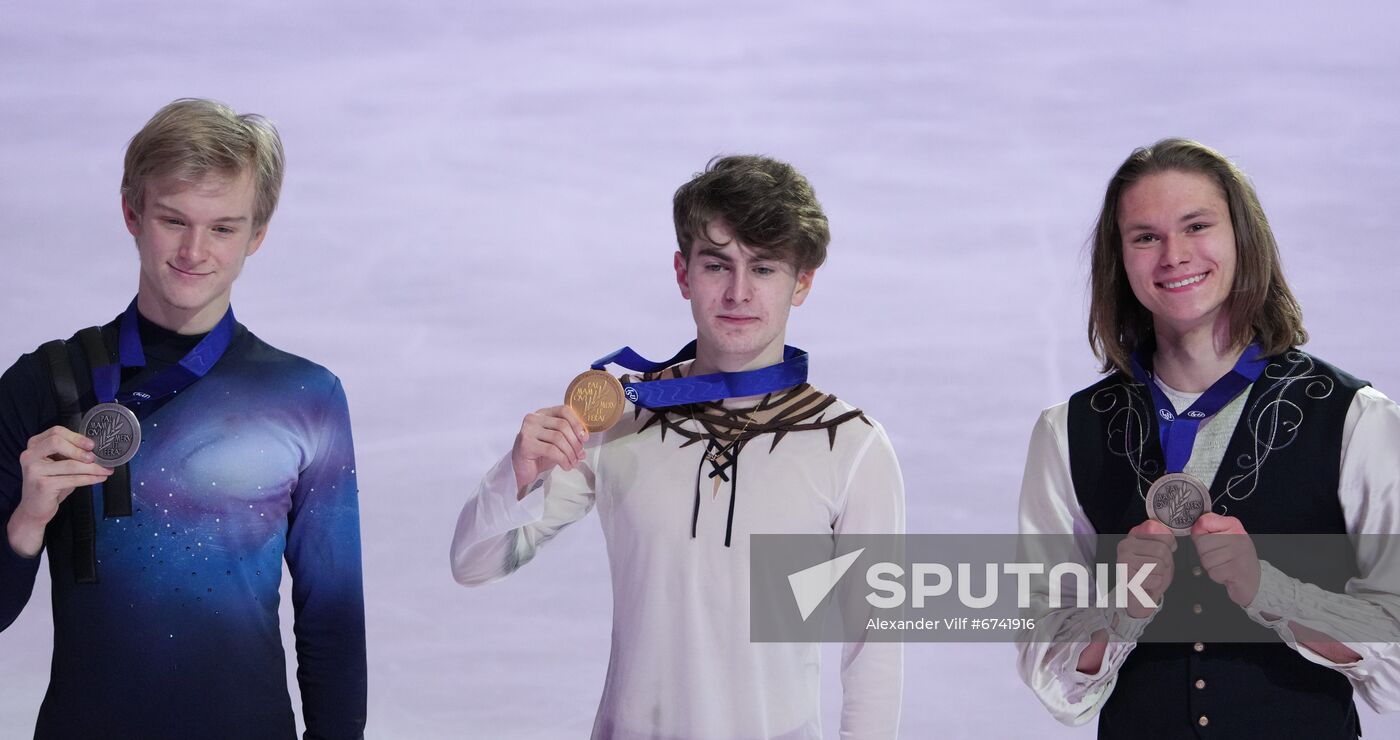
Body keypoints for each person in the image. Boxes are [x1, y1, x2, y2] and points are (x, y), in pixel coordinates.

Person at [451, 155, 904, 739]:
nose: (738, 293)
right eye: (718, 265)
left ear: (803, 282)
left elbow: (875, 653)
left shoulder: (851, 447)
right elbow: (472, 564)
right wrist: (514, 476)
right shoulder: (619, 419)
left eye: (764, 268)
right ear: (683, 273)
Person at [0, 99, 367, 739]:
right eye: (174, 220)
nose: (195, 251)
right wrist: (28, 520)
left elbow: (330, 617)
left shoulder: (306, 396)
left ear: (257, 233)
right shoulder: (45, 385)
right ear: (132, 214)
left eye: (224, 228)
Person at [1015, 138, 1400, 738]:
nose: (1174, 255)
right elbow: (1052, 670)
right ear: (1120, 260)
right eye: (1145, 237)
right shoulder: (1068, 433)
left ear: (1242, 239)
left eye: (1196, 226)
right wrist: (1123, 609)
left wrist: (1268, 590)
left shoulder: (1355, 419)